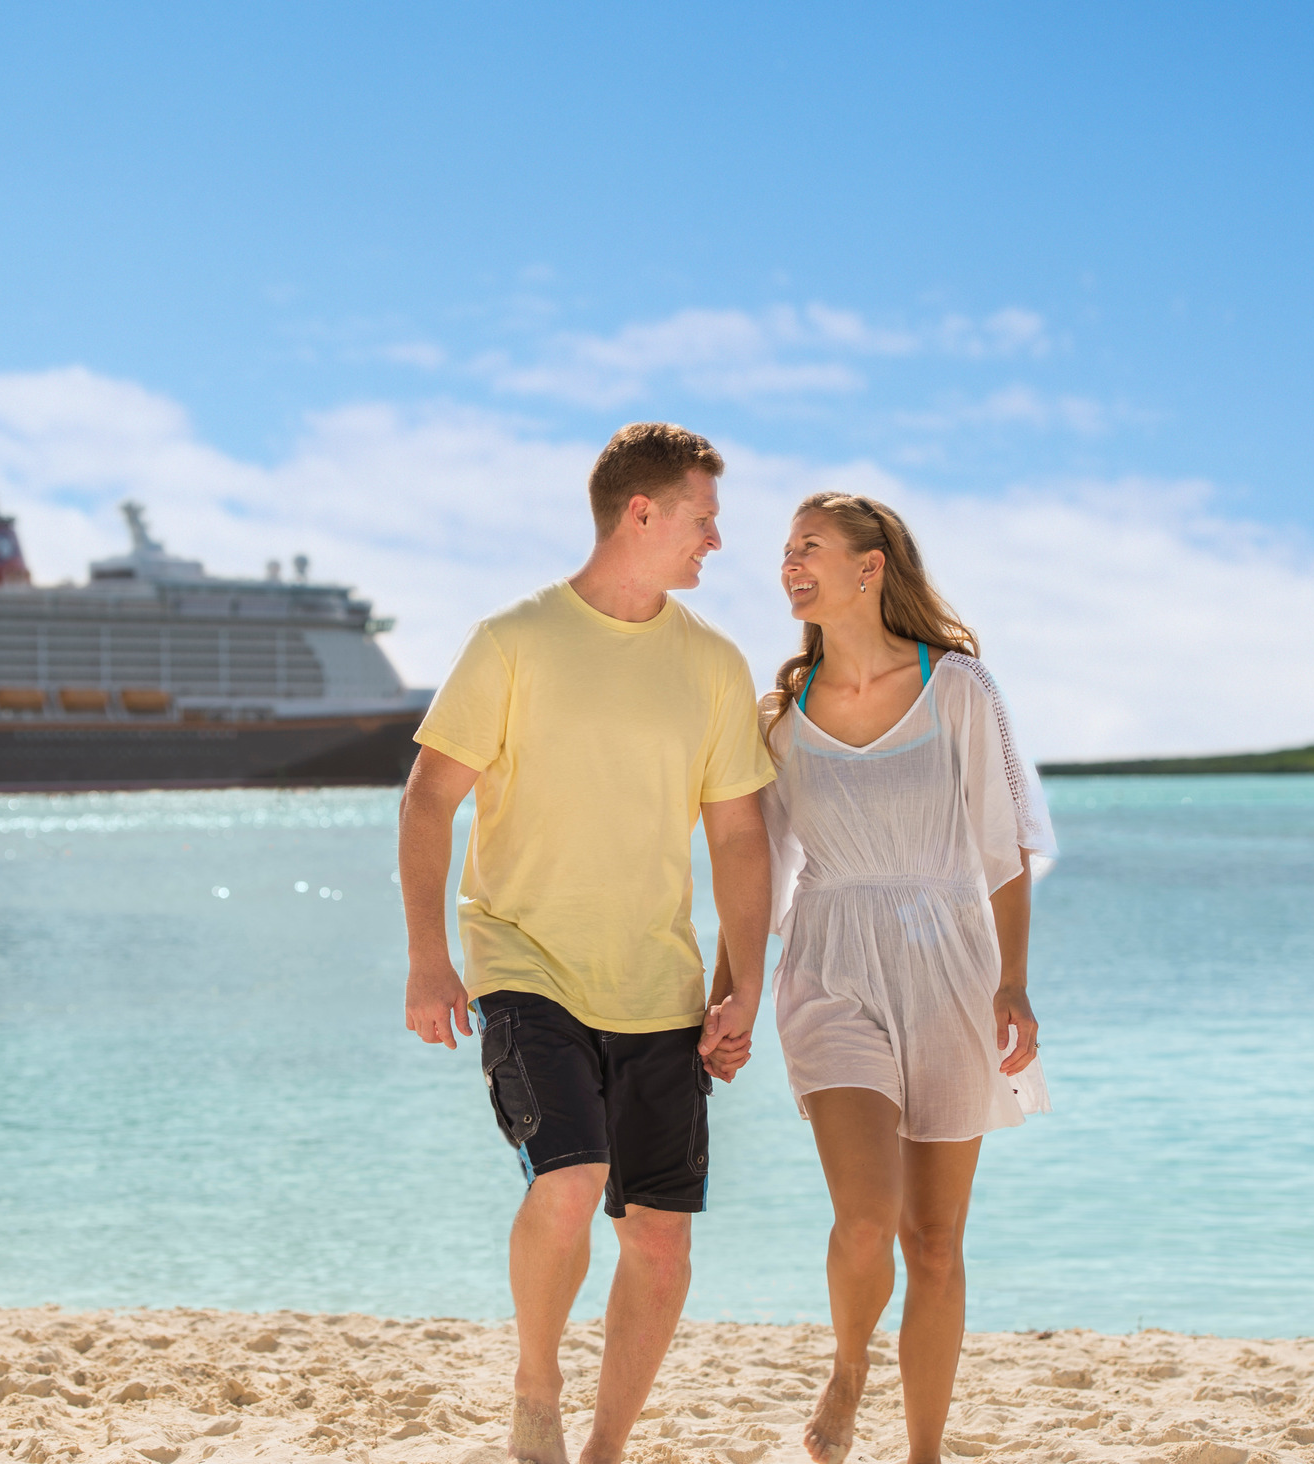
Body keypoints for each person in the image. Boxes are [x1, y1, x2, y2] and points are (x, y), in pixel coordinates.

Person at [398, 422, 776, 1464]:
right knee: (567, 1177)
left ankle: (603, 1448)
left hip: (659, 984)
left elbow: (740, 836)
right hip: (527, 967)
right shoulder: (513, 639)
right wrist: (430, 958)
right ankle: (535, 1380)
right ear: (641, 512)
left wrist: (743, 986)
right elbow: (430, 797)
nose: (716, 542)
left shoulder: (712, 663)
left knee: (659, 1240)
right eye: (703, 519)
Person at [749, 491, 1055, 1464]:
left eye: (811, 547)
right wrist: (731, 993)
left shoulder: (957, 687)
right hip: (830, 962)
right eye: (785, 549)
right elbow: (754, 872)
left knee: (933, 1242)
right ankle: (847, 1367)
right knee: (866, 1217)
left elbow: (1002, 846)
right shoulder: (782, 713)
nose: (790, 563)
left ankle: (922, 1453)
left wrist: (1012, 980)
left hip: (951, 965)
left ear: (869, 566)